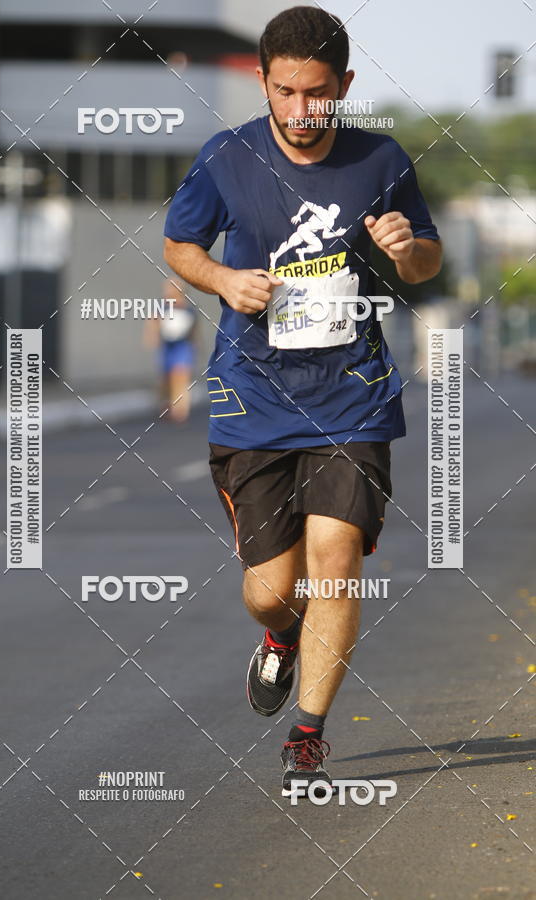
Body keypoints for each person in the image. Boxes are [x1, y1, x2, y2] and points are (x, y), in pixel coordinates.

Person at [163, 6, 442, 796]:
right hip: (253, 396)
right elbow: (179, 243)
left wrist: (407, 250)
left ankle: (309, 734)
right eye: (283, 91)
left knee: (337, 560)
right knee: (271, 589)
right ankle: (282, 635)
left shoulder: (380, 159)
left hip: (352, 396)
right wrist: (222, 279)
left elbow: (426, 260)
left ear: (343, 87)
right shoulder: (227, 156)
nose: (299, 110)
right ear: (264, 82)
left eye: (316, 93)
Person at [144, 277, 198, 422]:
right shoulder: (162, 307)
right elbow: (153, 322)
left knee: (181, 377)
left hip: (183, 345)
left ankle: (180, 410)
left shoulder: (188, 308)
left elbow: (194, 329)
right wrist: (152, 337)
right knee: (166, 378)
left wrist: (196, 345)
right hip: (167, 345)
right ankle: (165, 404)